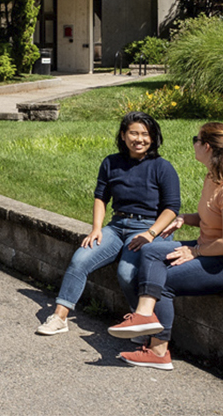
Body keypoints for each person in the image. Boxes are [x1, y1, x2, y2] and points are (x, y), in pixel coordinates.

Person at [108, 122, 223, 370]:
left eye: (196, 139)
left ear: (206, 146)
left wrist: (195, 252)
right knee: (151, 249)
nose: (192, 143)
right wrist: (184, 219)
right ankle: (144, 313)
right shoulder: (213, 178)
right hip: (215, 248)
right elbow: (212, 218)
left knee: (166, 281)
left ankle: (158, 353)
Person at [36, 111, 181, 336]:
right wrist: (96, 228)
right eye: (134, 133)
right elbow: (101, 197)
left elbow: (172, 208)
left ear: (153, 138)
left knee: (126, 272)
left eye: (145, 134)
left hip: (150, 228)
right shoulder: (111, 162)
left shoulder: (162, 167)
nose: (139, 139)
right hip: (117, 226)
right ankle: (60, 317)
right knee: (80, 259)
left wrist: (151, 234)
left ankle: (140, 324)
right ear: (123, 135)